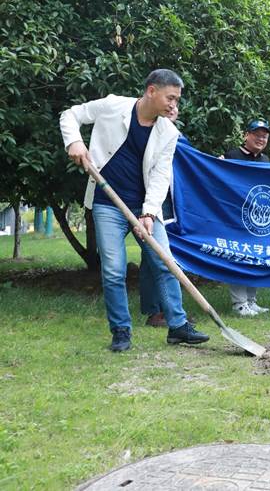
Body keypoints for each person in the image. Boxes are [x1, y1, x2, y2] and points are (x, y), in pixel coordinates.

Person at [59, 69, 209, 352]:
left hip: (144, 206)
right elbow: (71, 114)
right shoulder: (113, 106)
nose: (174, 106)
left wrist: (149, 214)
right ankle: (121, 331)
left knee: (165, 263)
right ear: (152, 91)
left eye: (177, 100)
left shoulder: (168, 132)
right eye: (171, 98)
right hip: (108, 204)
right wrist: (74, 141)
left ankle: (178, 326)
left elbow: (160, 176)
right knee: (114, 270)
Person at [223, 119, 270, 316]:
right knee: (238, 257)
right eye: (257, 135)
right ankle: (239, 303)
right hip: (235, 217)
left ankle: (251, 301)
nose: (261, 139)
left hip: (257, 220)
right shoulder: (231, 156)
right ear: (246, 135)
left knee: (255, 258)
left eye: (264, 136)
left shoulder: (266, 160)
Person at [139, 104, 179, 327]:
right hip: (151, 201)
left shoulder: (176, 137)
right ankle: (155, 311)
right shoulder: (146, 134)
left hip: (173, 205)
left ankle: (171, 312)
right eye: (168, 102)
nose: (172, 108)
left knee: (163, 256)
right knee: (153, 256)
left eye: (176, 104)